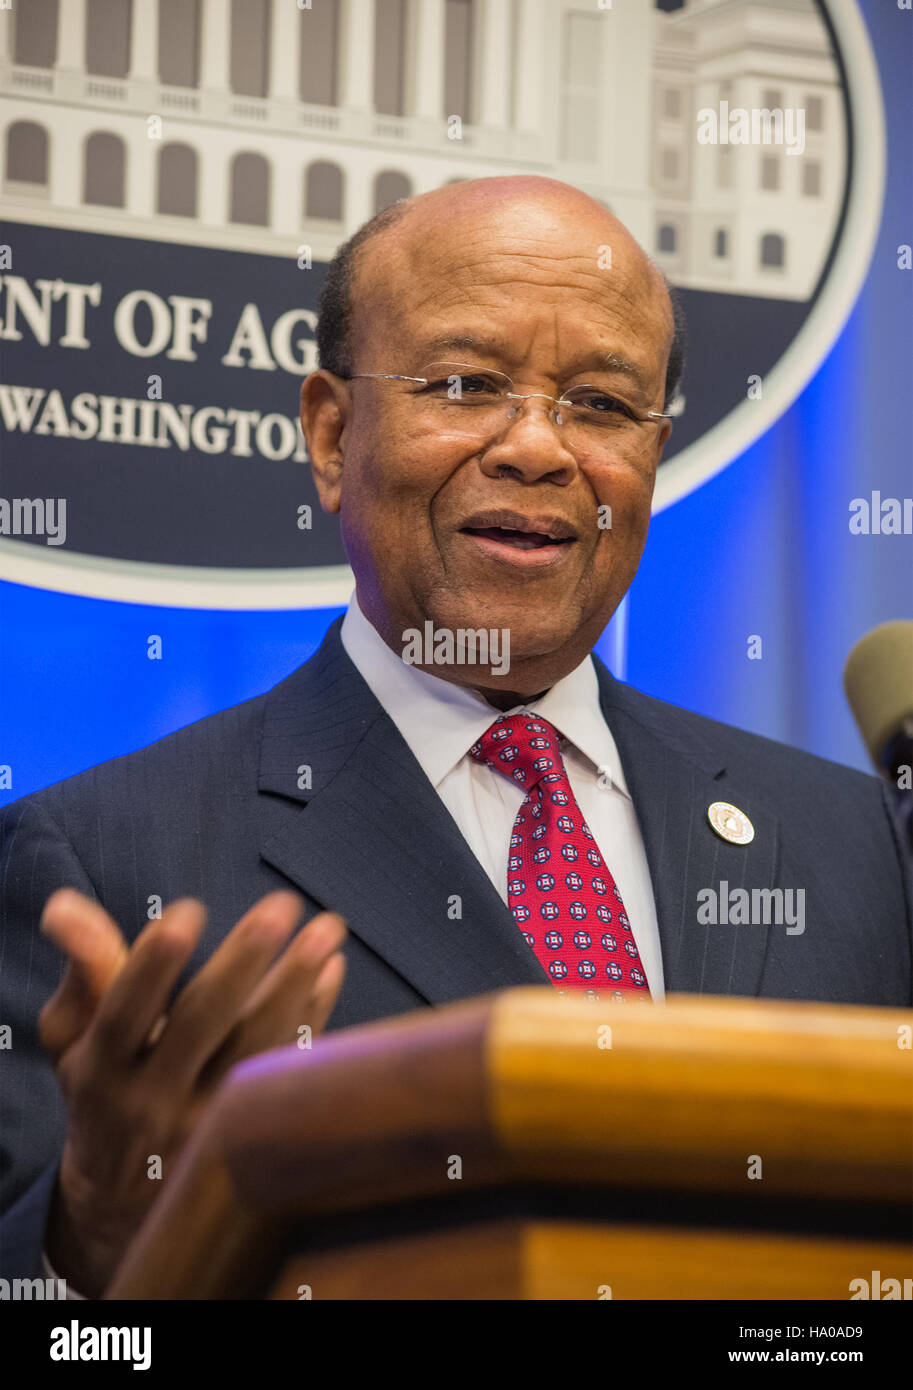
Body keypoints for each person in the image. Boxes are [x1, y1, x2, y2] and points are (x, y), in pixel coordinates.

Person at [1, 176, 909, 1297]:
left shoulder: (852, 841)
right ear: (332, 436)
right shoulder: (101, 859)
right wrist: (90, 1237)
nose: (538, 449)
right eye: (465, 384)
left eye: (602, 404)